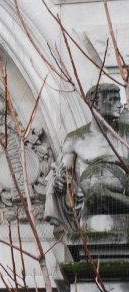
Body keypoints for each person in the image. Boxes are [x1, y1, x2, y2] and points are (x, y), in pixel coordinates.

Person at [49, 83, 129, 220]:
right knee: (95, 196)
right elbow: (64, 173)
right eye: (113, 100)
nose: (120, 104)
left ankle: (107, 198)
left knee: (98, 195)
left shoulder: (126, 133)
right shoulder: (75, 139)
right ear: (95, 104)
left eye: (119, 99)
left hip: (123, 190)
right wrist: (59, 182)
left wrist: (114, 160)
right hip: (89, 201)